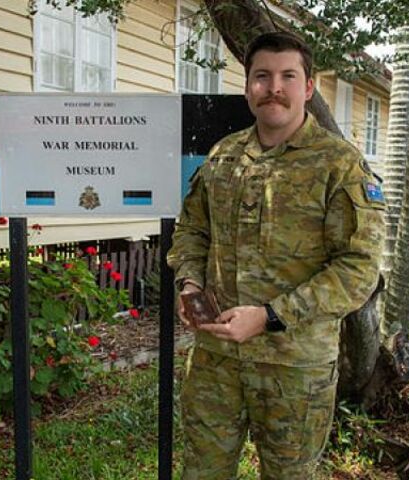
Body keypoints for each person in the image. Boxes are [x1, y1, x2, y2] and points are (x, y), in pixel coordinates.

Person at [167, 31, 386, 479]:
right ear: (248, 86)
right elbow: (192, 230)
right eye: (262, 76)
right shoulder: (224, 158)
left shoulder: (338, 165)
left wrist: (269, 316)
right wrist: (188, 283)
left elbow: (358, 269)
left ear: (308, 87)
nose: (274, 88)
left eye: (288, 76)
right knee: (201, 472)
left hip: (295, 369)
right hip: (216, 360)